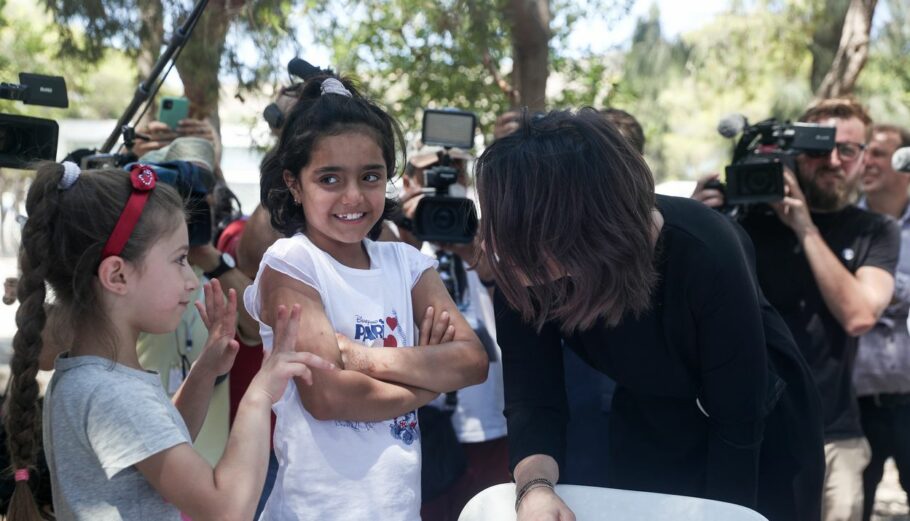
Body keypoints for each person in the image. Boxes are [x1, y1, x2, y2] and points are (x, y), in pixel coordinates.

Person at [477, 109, 824, 521]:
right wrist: (534, 489)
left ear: (582, 225)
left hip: (760, 421)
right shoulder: (519, 267)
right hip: (649, 411)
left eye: (521, 233)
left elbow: (739, 421)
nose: (496, 249)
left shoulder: (706, 249)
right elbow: (533, 399)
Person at [2, 162, 334, 521]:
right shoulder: (114, 394)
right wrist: (261, 394)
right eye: (179, 260)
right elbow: (227, 509)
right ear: (117, 274)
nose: (191, 281)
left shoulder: (88, 375)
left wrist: (206, 369)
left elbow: (161, 442)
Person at [244, 75, 488, 520]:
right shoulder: (291, 262)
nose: (353, 196)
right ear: (295, 185)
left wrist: (357, 356)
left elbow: (472, 363)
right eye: (329, 178)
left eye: (370, 176)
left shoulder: (406, 263)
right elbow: (328, 397)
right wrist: (429, 377)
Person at [693, 98, 900, 521]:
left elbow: (860, 315)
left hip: (834, 433)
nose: (834, 160)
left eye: (848, 150)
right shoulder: (743, 219)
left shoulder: (876, 230)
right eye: (819, 147)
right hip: (747, 427)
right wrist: (699, 221)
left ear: (863, 157)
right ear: (792, 150)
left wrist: (803, 225)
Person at [395, 145, 510, 520]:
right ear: (409, 181)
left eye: (457, 172)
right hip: (421, 420)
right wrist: (408, 227)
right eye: (433, 174)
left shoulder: (488, 233)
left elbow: (514, 305)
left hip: (488, 417)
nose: (447, 182)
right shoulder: (394, 239)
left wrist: (471, 248)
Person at [854, 124, 910, 521]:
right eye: (865, 152)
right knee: (852, 507)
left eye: (879, 153)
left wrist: (869, 286)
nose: (866, 161)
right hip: (854, 404)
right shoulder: (840, 222)